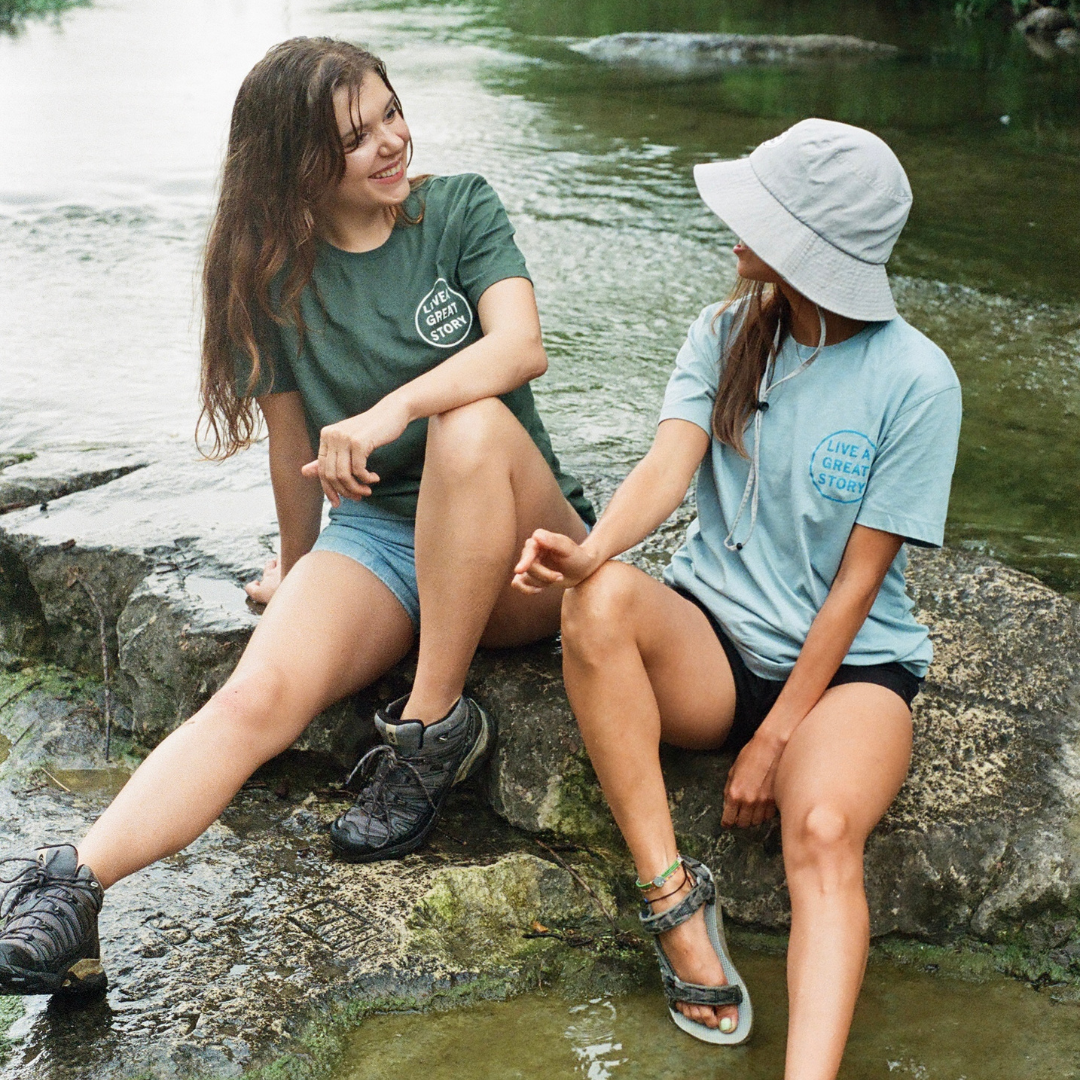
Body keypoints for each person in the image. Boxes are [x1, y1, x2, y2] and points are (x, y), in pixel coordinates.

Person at [0, 36, 593, 997]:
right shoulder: (274, 278)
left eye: (391, 112)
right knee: (251, 697)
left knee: (470, 420)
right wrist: (293, 564)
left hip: (516, 545)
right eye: (357, 136)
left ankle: (433, 724)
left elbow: (521, 347)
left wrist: (399, 405)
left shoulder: (459, 211)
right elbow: (292, 445)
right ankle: (71, 887)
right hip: (383, 543)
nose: (391, 142)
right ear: (297, 168)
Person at [512, 119, 961, 1077]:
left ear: (812, 246)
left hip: (854, 673)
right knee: (595, 604)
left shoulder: (919, 380)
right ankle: (676, 908)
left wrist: (776, 736)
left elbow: (858, 585)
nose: (730, 222)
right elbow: (667, 469)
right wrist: (587, 554)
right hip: (712, 643)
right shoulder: (724, 332)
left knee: (825, 830)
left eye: (759, 209)